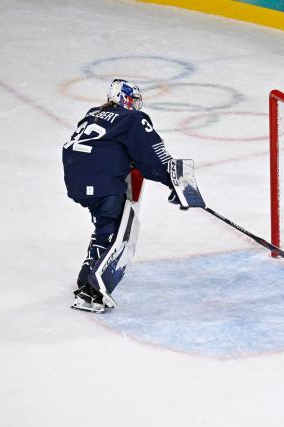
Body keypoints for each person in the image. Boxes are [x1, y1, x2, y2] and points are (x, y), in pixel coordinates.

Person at [63, 79, 179, 313]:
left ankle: (86, 275)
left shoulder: (94, 113)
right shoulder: (133, 118)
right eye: (134, 100)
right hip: (100, 177)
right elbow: (152, 154)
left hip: (75, 174)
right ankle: (92, 291)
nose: (136, 105)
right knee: (117, 231)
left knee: (106, 225)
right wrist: (174, 180)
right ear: (124, 98)